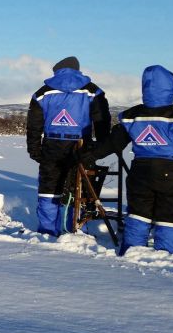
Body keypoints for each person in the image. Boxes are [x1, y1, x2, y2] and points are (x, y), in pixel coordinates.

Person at [80, 65, 173, 255]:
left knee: (138, 216)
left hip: (140, 173)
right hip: (172, 173)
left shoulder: (132, 116)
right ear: (170, 88)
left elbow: (113, 143)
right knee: (169, 218)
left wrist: (88, 156)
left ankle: (131, 252)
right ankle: (165, 256)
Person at [26, 56, 111, 236]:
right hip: (81, 146)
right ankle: (74, 229)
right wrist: (99, 148)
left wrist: (34, 150)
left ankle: (47, 231)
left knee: (50, 189)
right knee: (77, 189)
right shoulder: (92, 91)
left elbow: (34, 125)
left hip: (52, 145)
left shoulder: (42, 93)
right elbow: (102, 121)